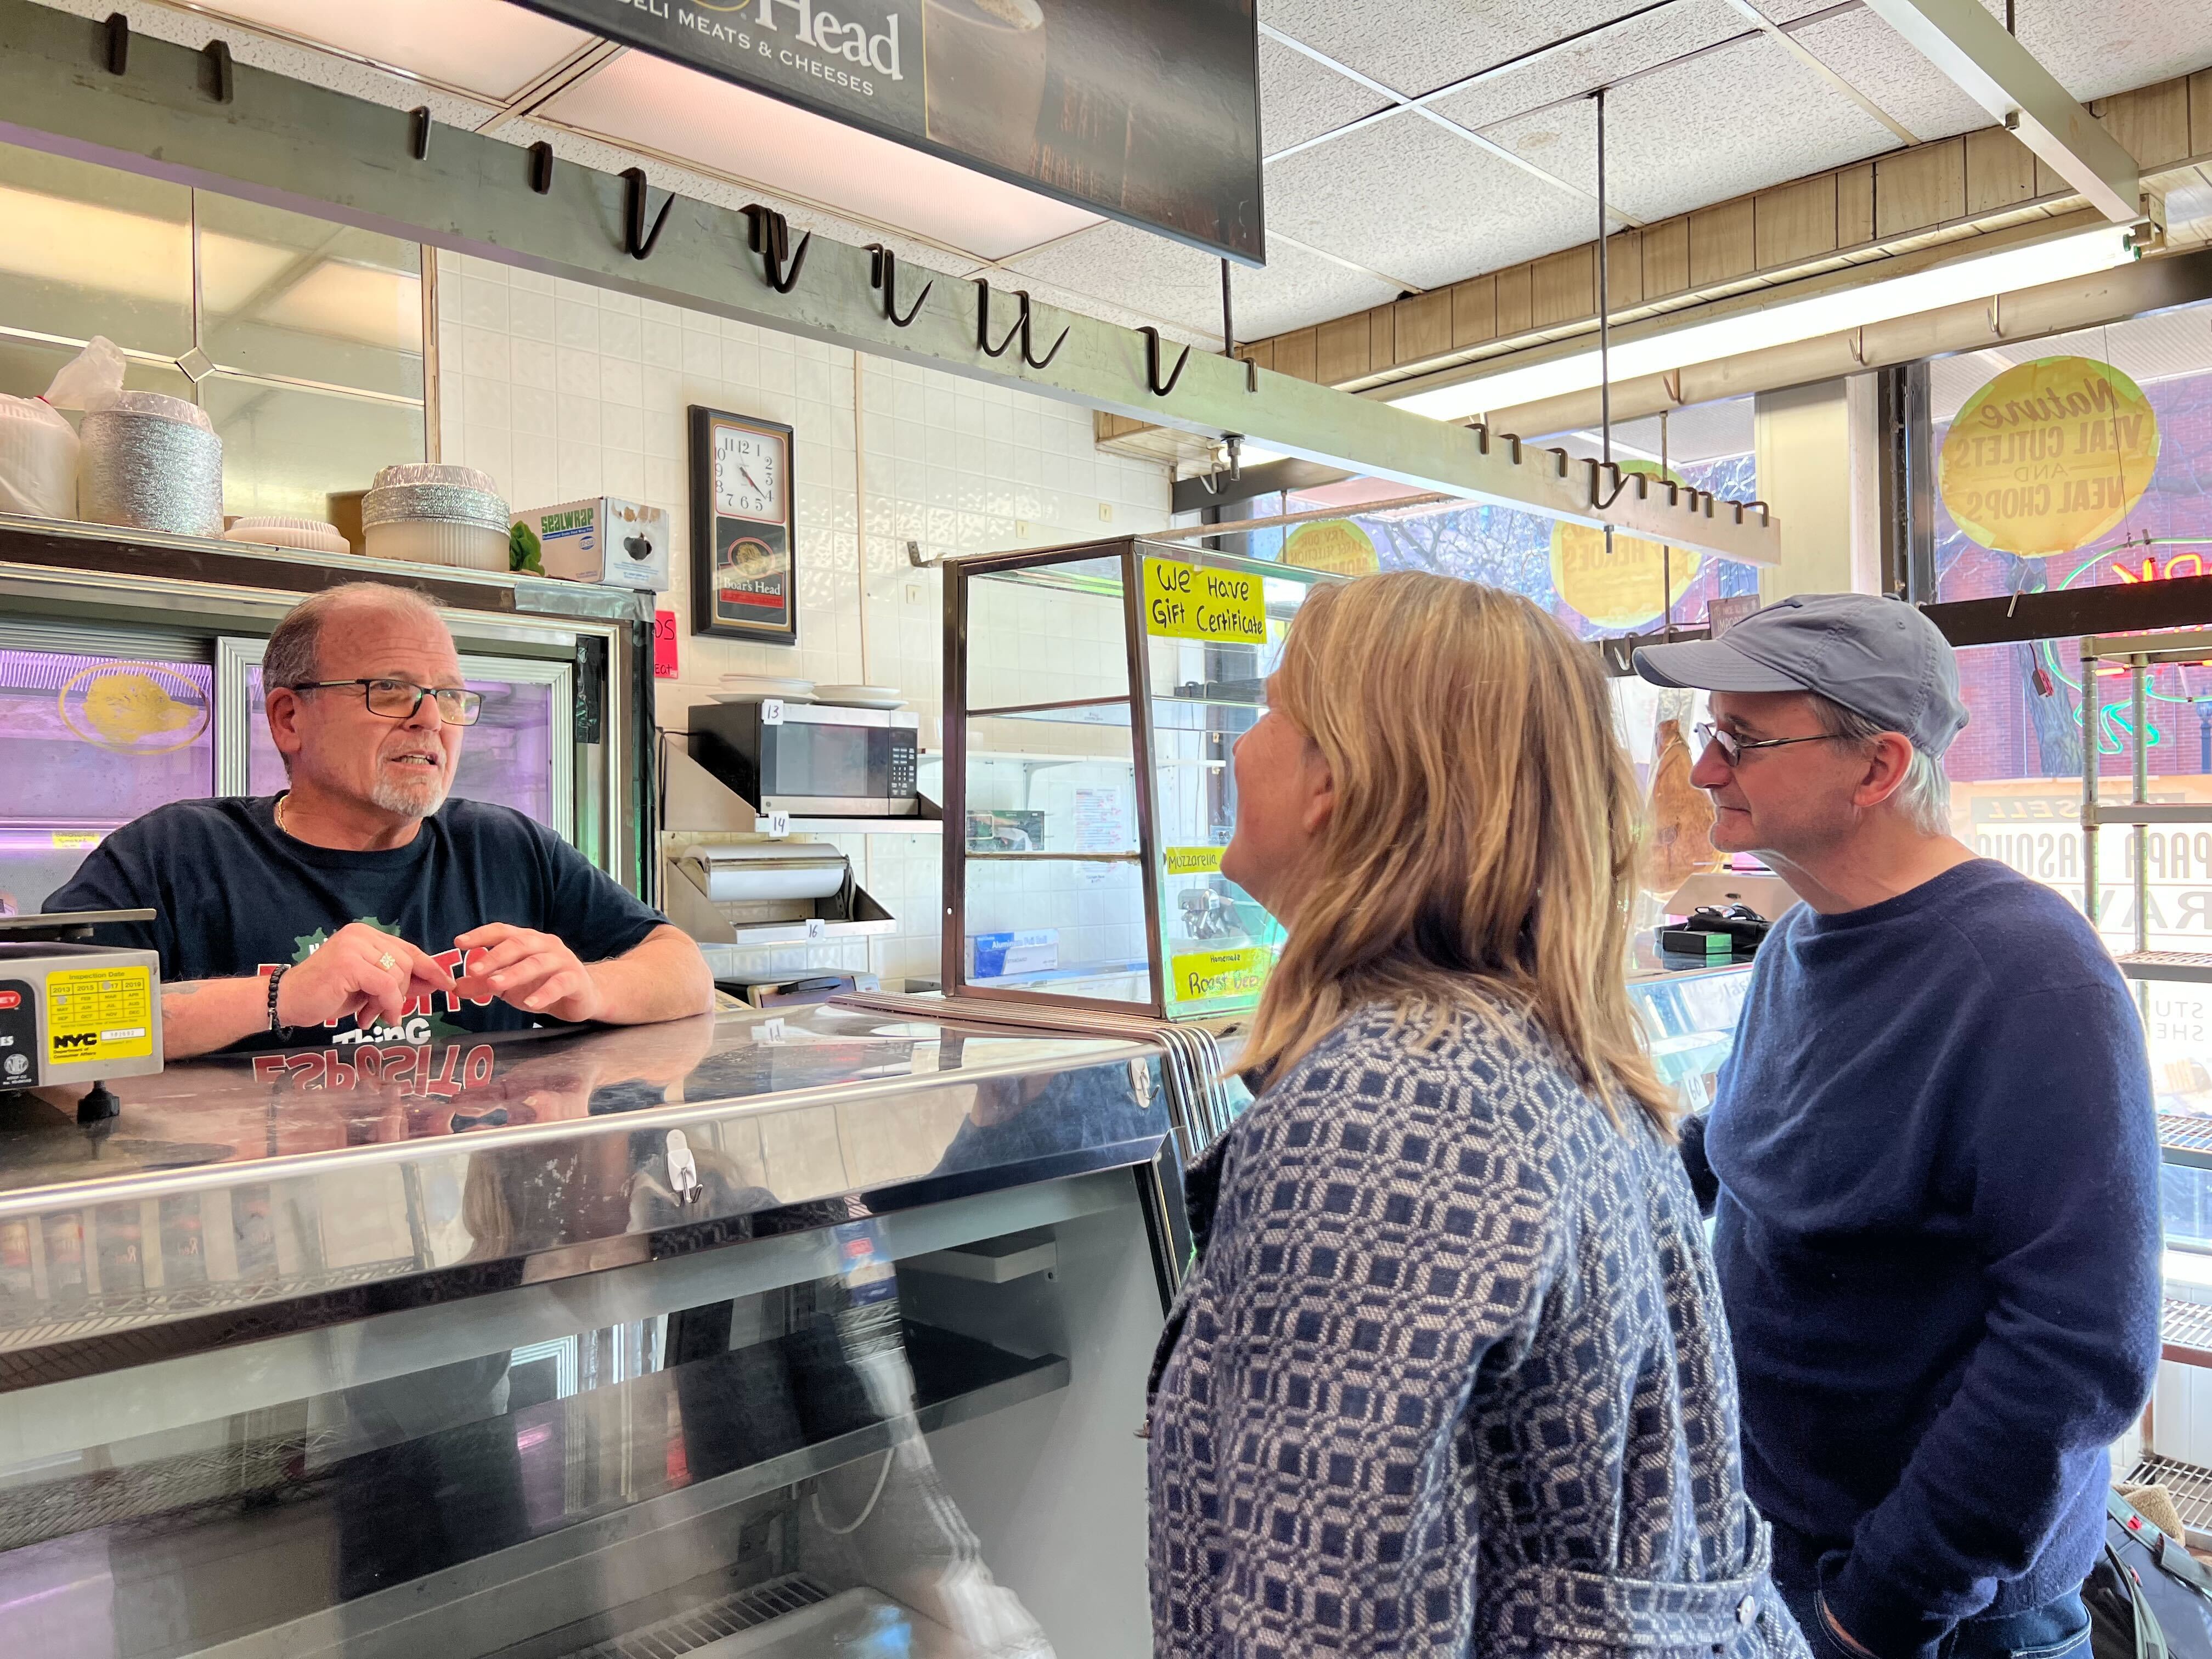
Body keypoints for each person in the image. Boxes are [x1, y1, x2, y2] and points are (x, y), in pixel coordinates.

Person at [1149, 572, 1807, 1658]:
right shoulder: (1519, 1046)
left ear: (1337, 778)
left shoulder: (1388, 1112)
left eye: (1271, 711)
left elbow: (1331, 1619)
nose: (1239, 749)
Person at [1633, 593, 2159, 1659]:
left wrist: (1877, 1612)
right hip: (1773, 1572)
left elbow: (2076, 1353)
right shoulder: (1795, 941)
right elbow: (1736, 1153)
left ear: (1876, 769)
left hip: (1936, 1623)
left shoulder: (2031, 978)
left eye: (1741, 738)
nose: (1703, 769)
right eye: (1709, 733)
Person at [48, 580, 713, 1058]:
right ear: (289, 719)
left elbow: (685, 970)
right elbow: (39, 1021)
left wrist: (588, 986)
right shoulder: (177, 853)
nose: (430, 719)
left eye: (448, 696)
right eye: (389, 691)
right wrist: (278, 998)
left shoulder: (506, 847)